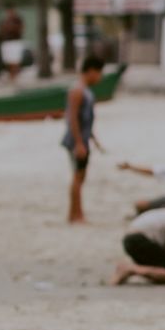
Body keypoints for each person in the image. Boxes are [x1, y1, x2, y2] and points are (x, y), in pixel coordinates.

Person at [61, 56, 106, 224]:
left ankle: (75, 214)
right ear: (92, 71)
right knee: (77, 177)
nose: (100, 78)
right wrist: (79, 143)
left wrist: (94, 139)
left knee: (79, 177)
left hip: (82, 138)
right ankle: (76, 215)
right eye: (99, 73)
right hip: (76, 140)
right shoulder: (78, 90)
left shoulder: (84, 90)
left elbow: (85, 119)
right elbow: (72, 118)